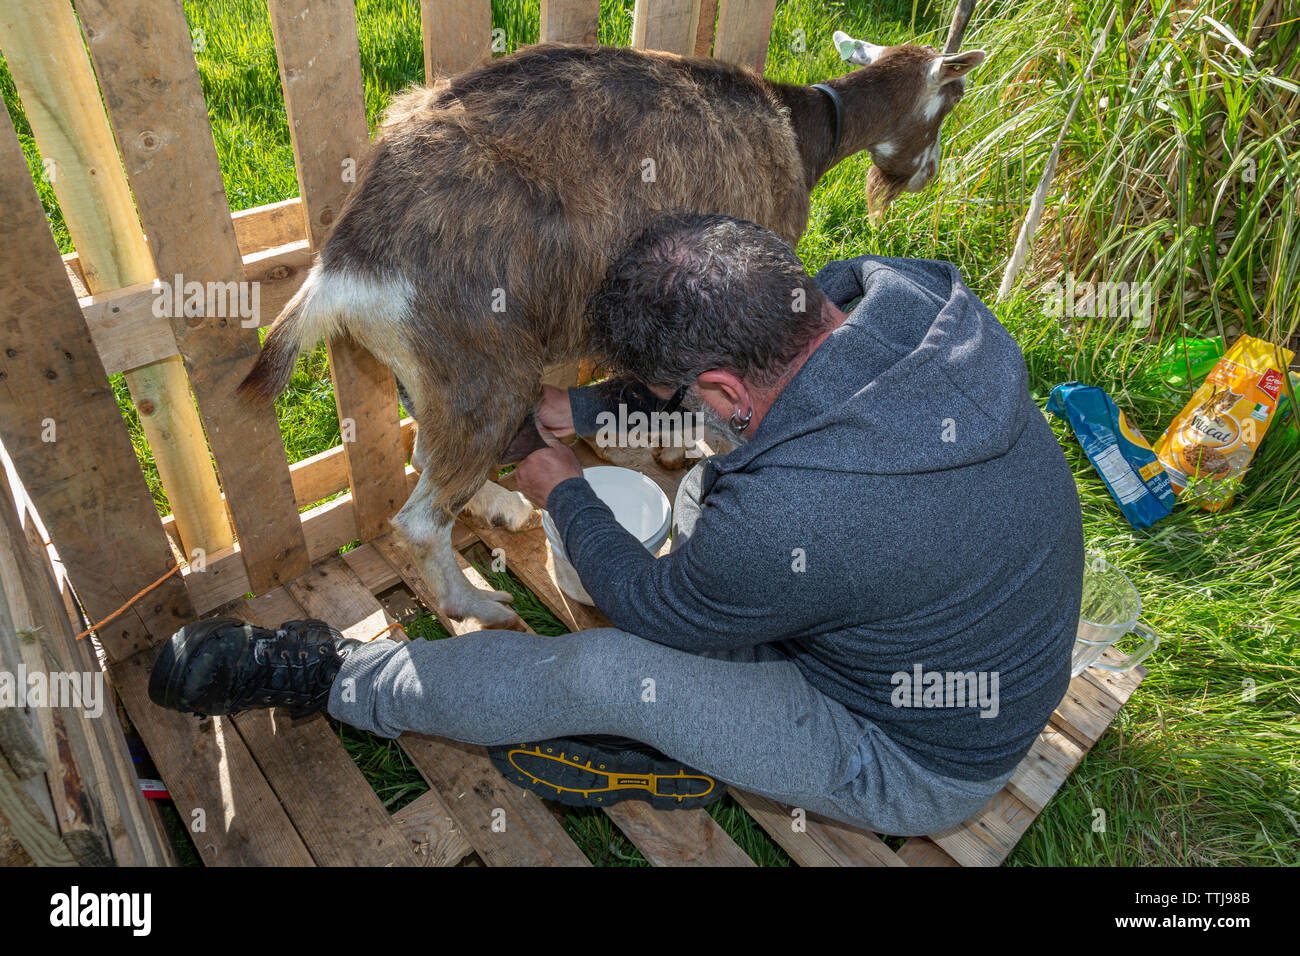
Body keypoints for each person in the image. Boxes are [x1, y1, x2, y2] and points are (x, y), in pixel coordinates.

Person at [148, 213, 1083, 835]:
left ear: (718, 387)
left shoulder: (800, 516)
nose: (673, 406)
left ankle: (333, 676)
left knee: (609, 671)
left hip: (912, 750)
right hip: (946, 627)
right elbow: (756, 417)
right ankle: (685, 738)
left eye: (680, 396)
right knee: (698, 498)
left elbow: (648, 609)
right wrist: (591, 413)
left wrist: (561, 485)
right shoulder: (900, 296)